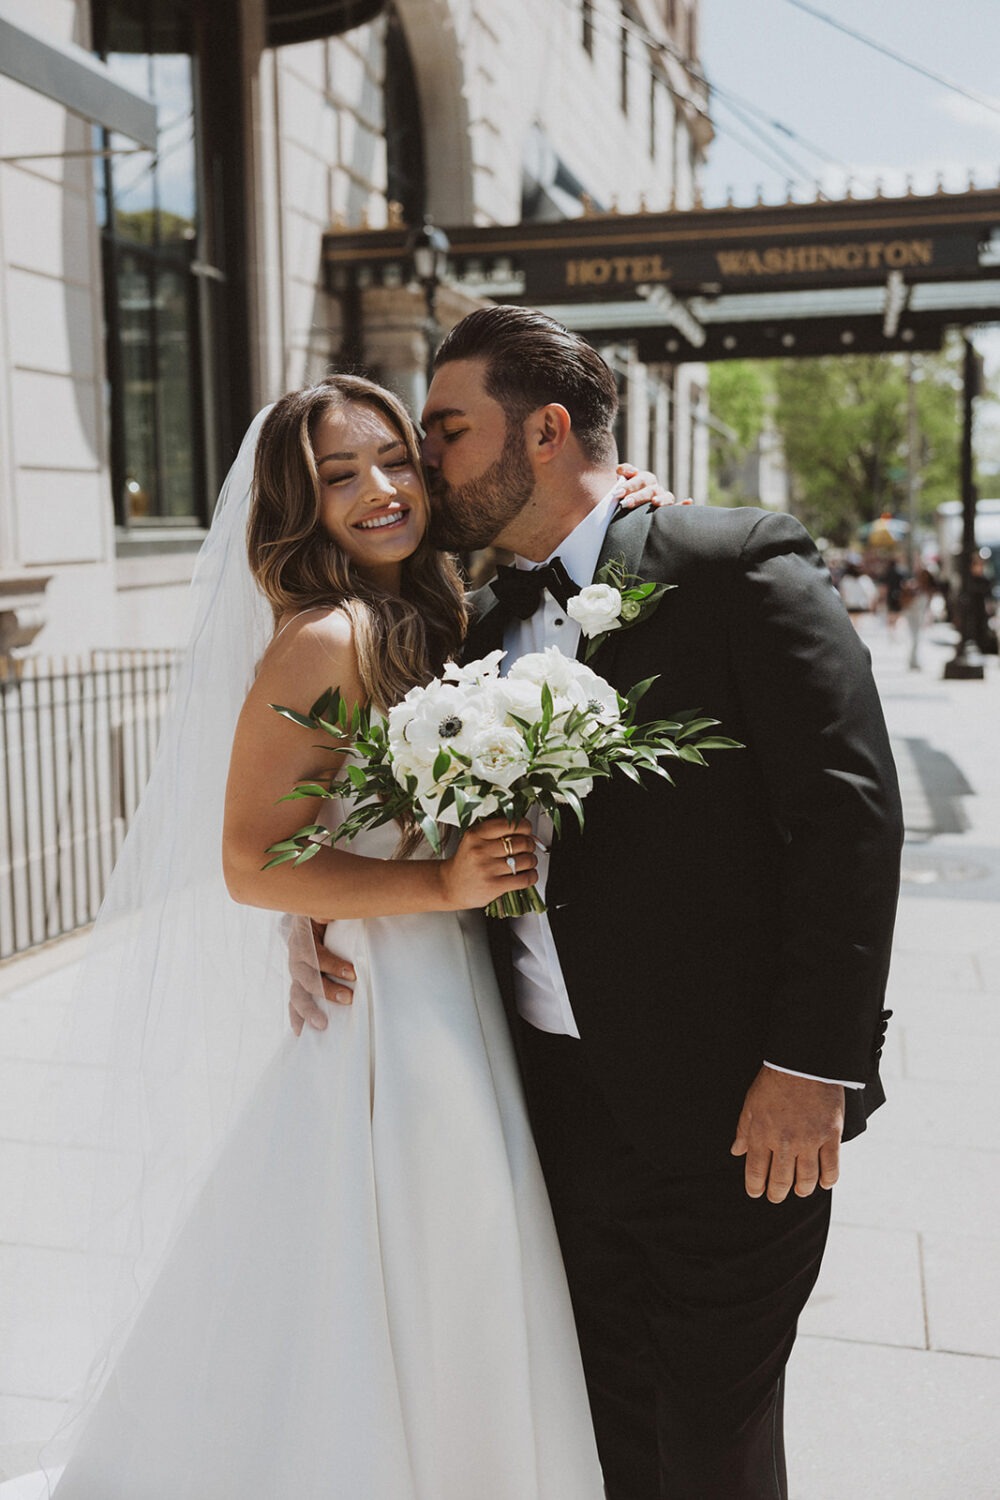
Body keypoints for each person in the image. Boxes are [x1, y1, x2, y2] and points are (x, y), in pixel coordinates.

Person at [15, 374, 664, 1500]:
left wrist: (632, 502)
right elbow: (247, 858)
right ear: (297, 505)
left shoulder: (447, 609)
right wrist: (438, 885)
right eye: (337, 475)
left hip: (465, 983)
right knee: (430, 1252)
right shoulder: (323, 638)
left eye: (396, 459)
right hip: (397, 1014)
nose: (379, 490)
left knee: (461, 1258)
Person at [295, 306, 904, 1500]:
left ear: (548, 430)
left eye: (448, 431)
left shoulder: (729, 563)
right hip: (546, 1102)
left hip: (735, 1108)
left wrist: (810, 1065)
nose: (423, 464)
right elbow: (360, 807)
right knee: (604, 1421)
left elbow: (847, 821)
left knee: (713, 1436)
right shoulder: (460, 619)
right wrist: (312, 906)